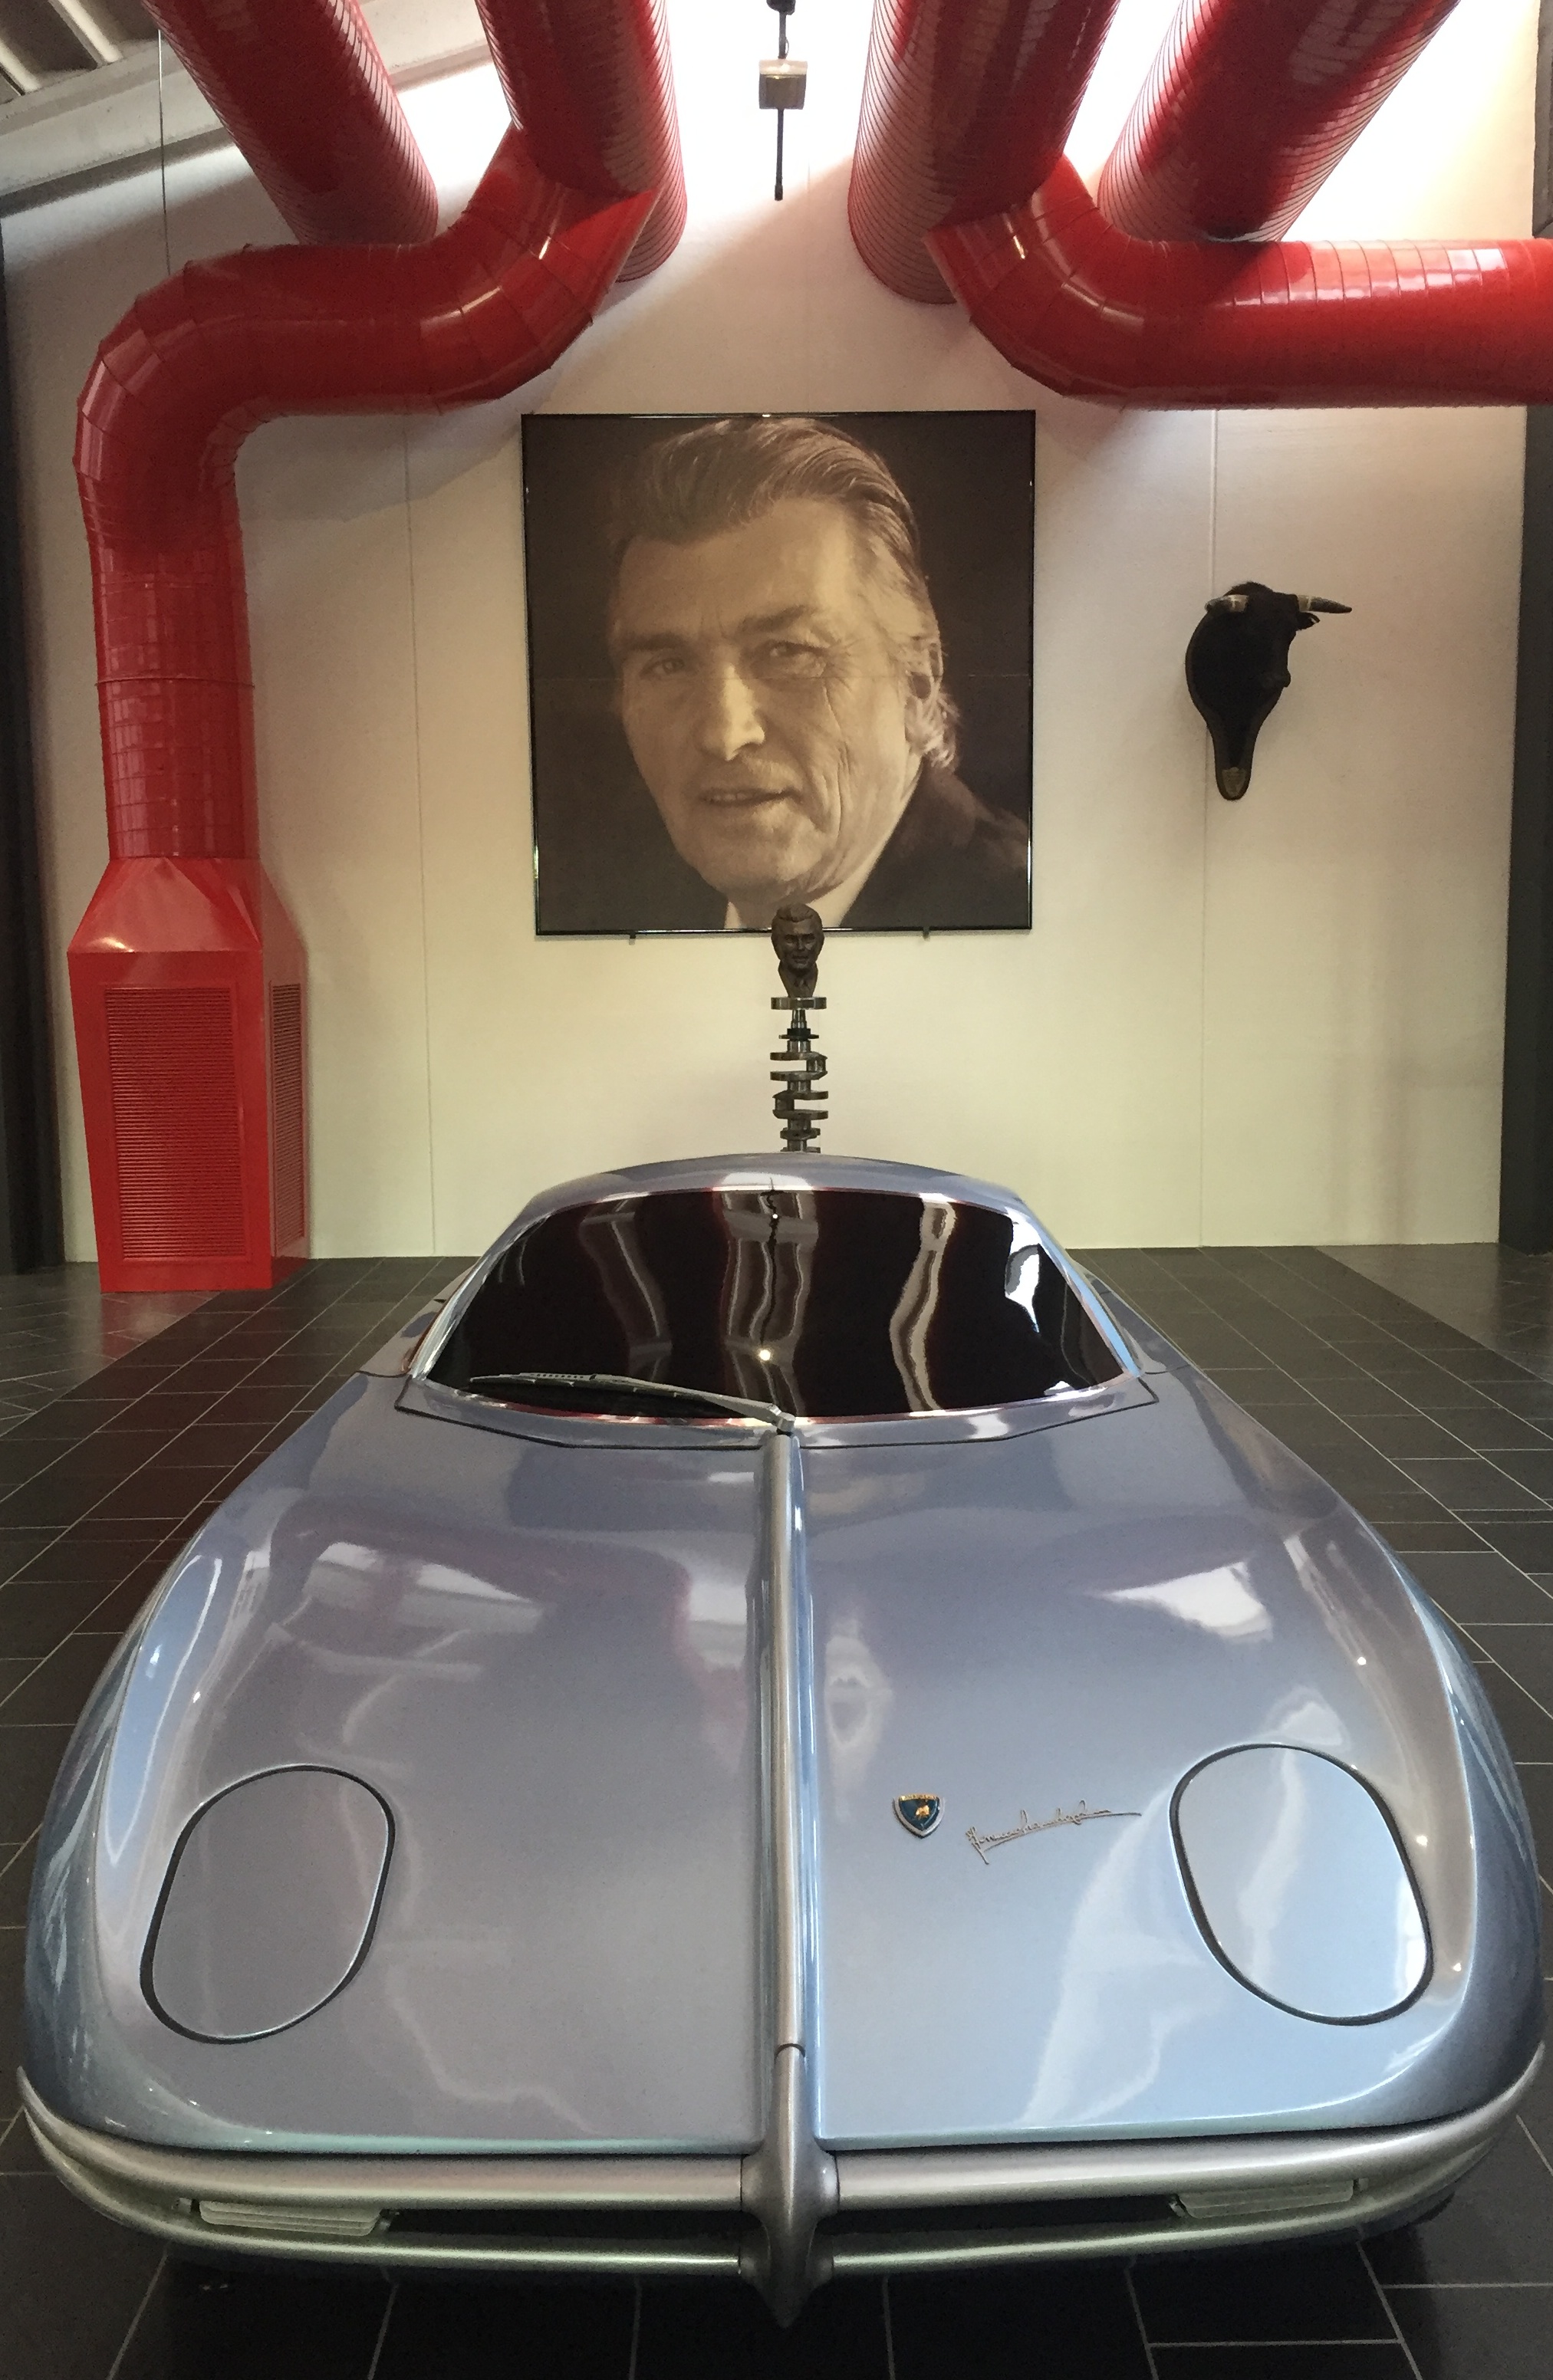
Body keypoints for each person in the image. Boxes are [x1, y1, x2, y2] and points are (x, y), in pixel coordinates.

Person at [602, 416, 1028, 932]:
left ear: (918, 681)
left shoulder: (1020, 913)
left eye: (788, 652)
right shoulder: (615, 904)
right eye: (669, 666)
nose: (725, 736)